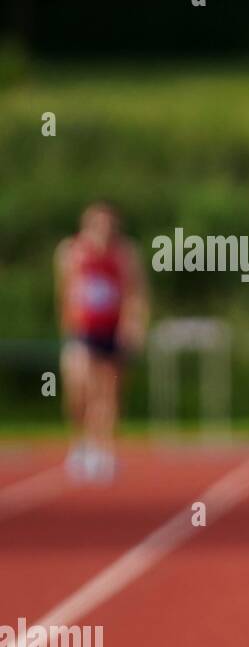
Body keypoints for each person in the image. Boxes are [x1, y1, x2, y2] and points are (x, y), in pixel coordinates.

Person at [54, 202, 148, 482]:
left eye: (109, 225)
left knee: (108, 394)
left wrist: (134, 325)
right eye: (98, 225)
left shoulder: (126, 254)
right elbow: (64, 292)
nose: (104, 231)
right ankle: (79, 443)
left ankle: (103, 451)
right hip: (82, 330)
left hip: (113, 330)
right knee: (79, 387)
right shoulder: (70, 252)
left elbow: (136, 293)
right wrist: (66, 327)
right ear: (87, 226)